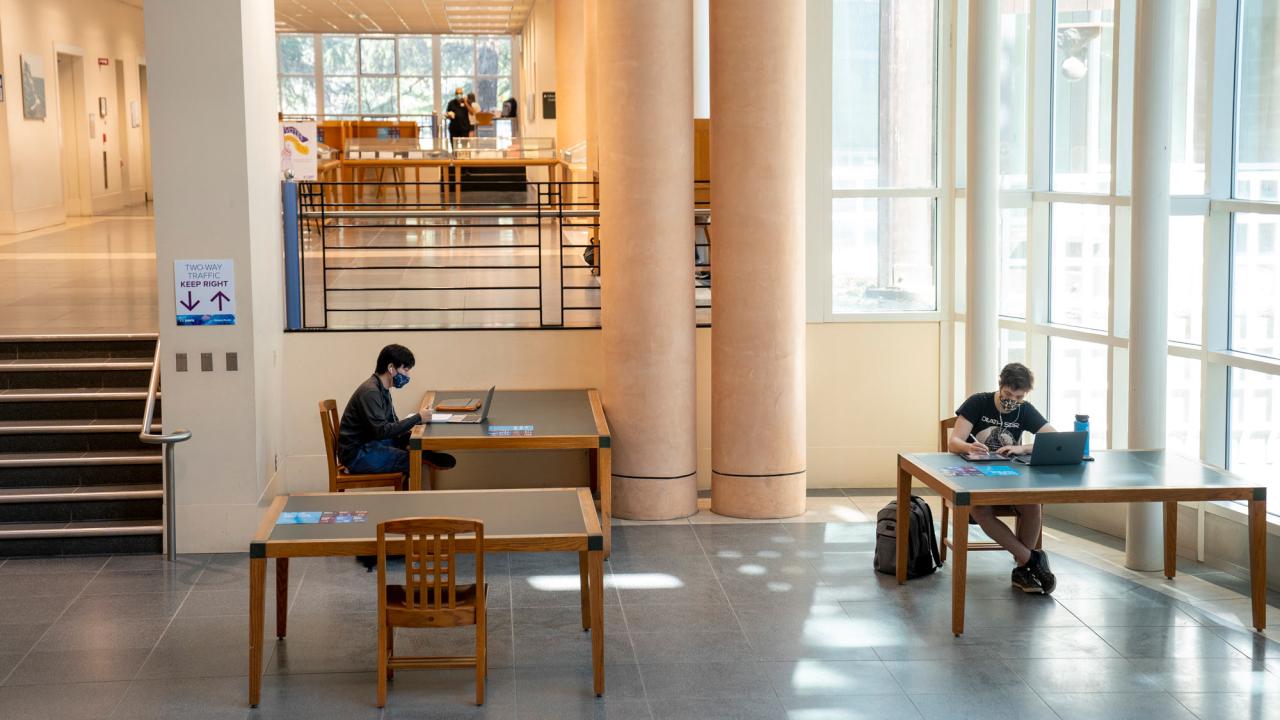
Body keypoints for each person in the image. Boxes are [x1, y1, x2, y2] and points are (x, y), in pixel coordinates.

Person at [948, 362, 1058, 595]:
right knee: (979, 511)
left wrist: (1022, 449)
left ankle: (1023, 569)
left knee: (1032, 506)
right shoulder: (978, 402)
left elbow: (1054, 439)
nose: (1012, 400)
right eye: (1008, 394)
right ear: (1000, 385)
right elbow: (953, 442)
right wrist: (969, 446)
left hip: (1012, 475)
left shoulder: (1025, 410)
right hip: (978, 475)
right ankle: (1031, 560)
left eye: (1018, 397)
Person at [337, 343, 457, 479]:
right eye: (405, 370)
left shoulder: (382, 389)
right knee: (411, 460)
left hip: (371, 443)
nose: (408, 375)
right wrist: (418, 417)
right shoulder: (370, 392)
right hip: (357, 454)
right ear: (391, 368)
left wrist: (409, 434)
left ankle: (424, 454)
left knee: (407, 444)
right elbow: (382, 431)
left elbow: (390, 425)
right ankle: (419, 475)